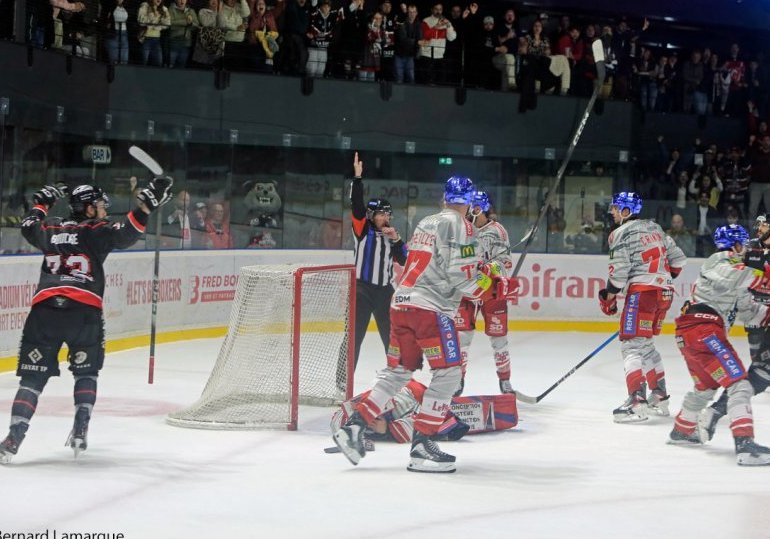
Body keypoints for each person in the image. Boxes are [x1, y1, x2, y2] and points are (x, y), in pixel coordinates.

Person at [333, 175, 514, 473]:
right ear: (468, 203)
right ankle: (422, 445)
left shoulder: (426, 222)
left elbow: (441, 264)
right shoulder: (464, 226)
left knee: (398, 372)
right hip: (429, 309)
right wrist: (492, 285)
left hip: (401, 301)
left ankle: (354, 426)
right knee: (450, 374)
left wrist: (482, 270)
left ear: (445, 199)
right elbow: (462, 278)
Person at [0, 179, 173, 463]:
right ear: (89, 208)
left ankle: (13, 439)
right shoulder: (96, 231)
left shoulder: (52, 227)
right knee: (85, 373)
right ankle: (80, 429)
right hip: (84, 313)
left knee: (32, 379)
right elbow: (127, 233)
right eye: (101, 205)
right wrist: (146, 208)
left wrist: (42, 202)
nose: (104, 210)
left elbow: (28, 225)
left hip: (44, 313)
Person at [669, 224, 770, 465]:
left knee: (705, 386)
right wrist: (761, 269)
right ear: (735, 245)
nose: (745, 249)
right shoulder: (719, 260)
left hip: (694, 335)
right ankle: (745, 445)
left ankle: (683, 429)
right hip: (704, 331)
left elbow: (749, 310)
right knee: (739, 384)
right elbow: (736, 277)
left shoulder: (738, 270)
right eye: (742, 245)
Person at [598, 192, 686, 423]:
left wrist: (608, 297)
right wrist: (659, 279)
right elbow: (679, 261)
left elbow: (618, 275)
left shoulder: (619, 233)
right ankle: (659, 396)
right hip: (664, 293)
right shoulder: (654, 227)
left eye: (617, 208)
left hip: (643, 294)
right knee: (646, 345)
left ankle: (637, 402)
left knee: (632, 346)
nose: (614, 212)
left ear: (627, 211)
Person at [698, 215, 770, 444]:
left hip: (758, 316)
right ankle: (720, 415)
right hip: (759, 316)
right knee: (762, 371)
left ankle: (715, 412)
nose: (760, 229)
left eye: (764, 225)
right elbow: (739, 277)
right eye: (759, 225)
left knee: (761, 372)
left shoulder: (750, 250)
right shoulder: (750, 251)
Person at [348, 152, 407, 370]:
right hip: (361, 290)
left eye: (388, 214)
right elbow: (356, 204)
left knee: (394, 340)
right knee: (353, 339)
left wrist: (398, 240)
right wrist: (357, 178)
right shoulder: (362, 229)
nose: (386, 218)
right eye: (381, 214)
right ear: (371, 215)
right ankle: (343, 384)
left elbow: (406, 259)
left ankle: (398, 379)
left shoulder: (392, 234)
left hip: (385, 292)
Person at [455, 190, 515, 395]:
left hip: (492, 293)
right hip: (467, 290)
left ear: (478, 208)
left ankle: (505, 381)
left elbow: (505, 263)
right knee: (461, 337)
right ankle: (457, 381)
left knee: (499, 339)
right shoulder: (462, 229)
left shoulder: (497, 231)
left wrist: (490, 268)